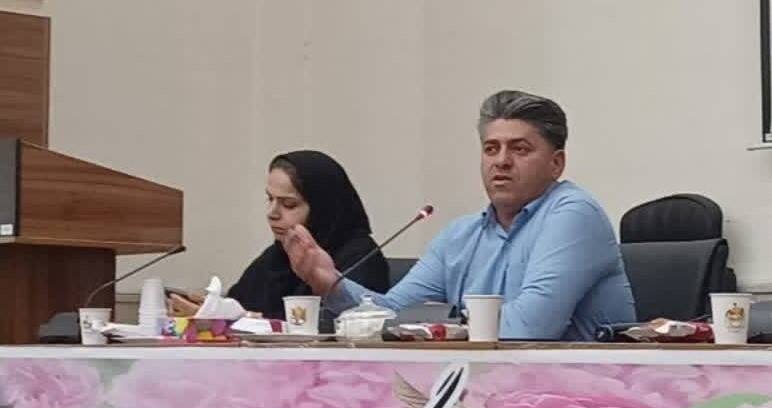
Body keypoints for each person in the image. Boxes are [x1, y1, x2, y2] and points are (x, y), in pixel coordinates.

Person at [283, 91, 636, 341]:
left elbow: (530, 329)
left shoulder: (574, 215)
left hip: (579, 397)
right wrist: (329, 281)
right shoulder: (460, 235)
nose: (501, 161)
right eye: (491, 149)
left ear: (556, 163)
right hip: (485, 389)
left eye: (520, 149)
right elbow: (392, 316)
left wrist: (437, 328)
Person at [168, 150, 388, 319]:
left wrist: (232, 318)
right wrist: (208, 310)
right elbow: (240, 305)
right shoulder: (275, 257)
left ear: (324, 208)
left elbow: (328, 329)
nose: (272, 213)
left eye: (288, 204)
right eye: (270, 199)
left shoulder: (361, 258)